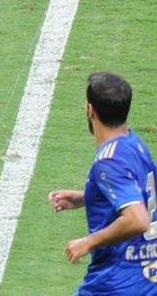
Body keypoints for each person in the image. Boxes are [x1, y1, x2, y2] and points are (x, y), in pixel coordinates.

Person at [48, 72, 157, 293]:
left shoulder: (108, 161)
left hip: (116, 283)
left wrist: (88, 242)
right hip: (145, 277)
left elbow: (138, 220)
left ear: (90, 110)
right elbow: (144, 194)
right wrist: (86, 197)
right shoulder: (134, 144)